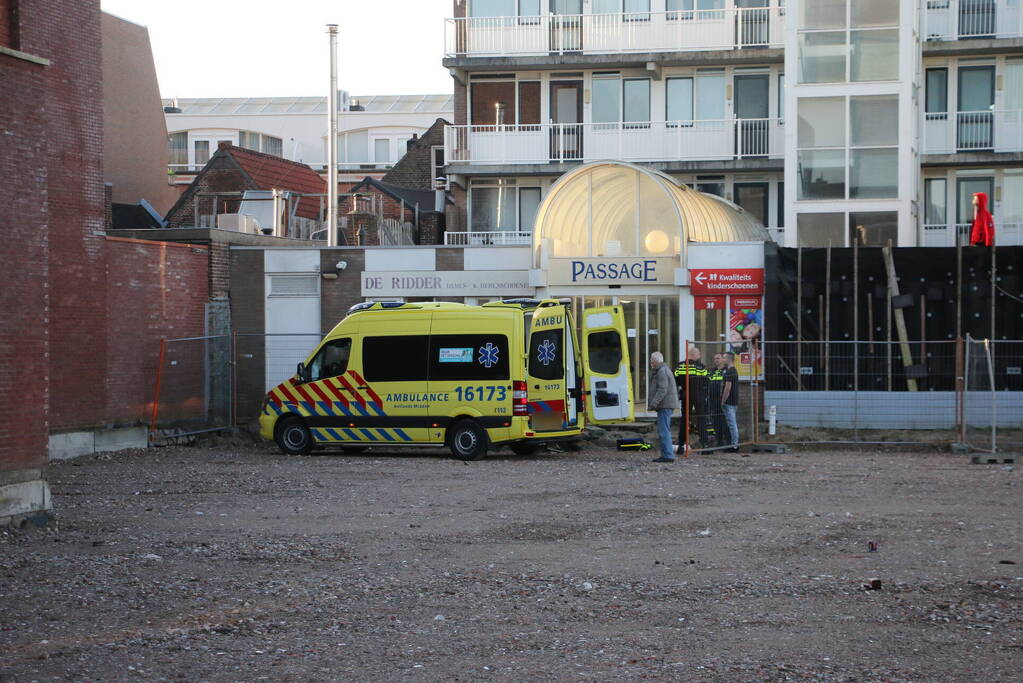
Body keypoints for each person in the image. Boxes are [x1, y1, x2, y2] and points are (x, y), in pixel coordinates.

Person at [674, 346, 712, 450]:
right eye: (699, 354)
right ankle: (705, 445)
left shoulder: (680, 366)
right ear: (694, 355)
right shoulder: (701, 367)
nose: (699, 356)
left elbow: (676, 380)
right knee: (701, 419)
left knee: (685, 420)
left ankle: (681, 445)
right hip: (699, 395)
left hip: (686, 394)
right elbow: (707, 381)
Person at [647, 352, 679, 463]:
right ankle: (667, 454)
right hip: (666, 404)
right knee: (664, 430)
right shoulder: (663, 369)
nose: (650, 362)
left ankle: (668, 455)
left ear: (656, 361)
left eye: (651, 360)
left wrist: (653, 403)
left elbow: (662, 389)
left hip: (665, 405)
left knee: (664, 431)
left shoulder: (662, 371)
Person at [707, 353, 729, 448]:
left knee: (725, 421)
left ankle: (728, 441)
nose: (716, 360)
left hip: (723, 400)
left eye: (718, 358)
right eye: (715, 358)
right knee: (716, 421)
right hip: (713, 400)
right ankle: (719, 440)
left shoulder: (726, 371)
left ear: (723, 360)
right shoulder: (712, 371)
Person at [720, 352, 740, 452]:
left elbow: (727, 388)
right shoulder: (733, 371)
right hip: (733, 401)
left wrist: (723, 401)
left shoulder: (730, 372)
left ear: (729, 359)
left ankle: (734, 445)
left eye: (724, 358)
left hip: (729, 402)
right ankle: (733, 444)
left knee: (732, 424)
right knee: (732, 423)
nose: (723, 360)